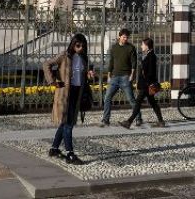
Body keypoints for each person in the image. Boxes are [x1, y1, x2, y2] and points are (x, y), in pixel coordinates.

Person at [43, 33, 94, 164]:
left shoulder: (84, 58)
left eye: (83, 46)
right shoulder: (64, 55)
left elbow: (82, 76)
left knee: (65, 123)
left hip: (78, 92)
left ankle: (54, 149)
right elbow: (46, 64)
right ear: (73, 44)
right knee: (68, 124)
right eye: (78, 45)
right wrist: (52, 82)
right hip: (66, 93)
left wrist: (88, 75)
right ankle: (70, 154)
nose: (80, 48)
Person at [119, 38, 165, 128]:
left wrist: (147, 83)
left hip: (146, 85)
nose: (141, 46)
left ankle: (129, 122)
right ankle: (161, 121)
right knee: (153, 103)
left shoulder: (151, 56)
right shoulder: (148, 55)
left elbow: (151, 72)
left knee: (138, 102)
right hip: (146, 84)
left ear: (147, 46)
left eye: (143, 44)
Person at [101, 28, 139, 127]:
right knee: (107, 98)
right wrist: (109, 75)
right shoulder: (114, 48)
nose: (125, 39)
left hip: (125, 77)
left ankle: (138, 118)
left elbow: (134, 63)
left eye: (127, 37)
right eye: (124, 37)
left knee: (131, 99)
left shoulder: (131, 48)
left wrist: (132, 75)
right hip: (114, 77)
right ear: (119, 36)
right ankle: (105, 119)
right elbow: (111, 62)